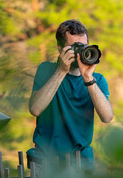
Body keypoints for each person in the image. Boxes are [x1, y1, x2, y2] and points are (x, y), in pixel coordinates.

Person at [27, 19, 113, 171]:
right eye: (75, 47)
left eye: (83, 47)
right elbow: (35, 109)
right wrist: (61, 70)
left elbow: (107, 117)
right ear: (60, 49)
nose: (80, 52)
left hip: (81, 160)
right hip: (46, 159)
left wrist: (88, 78)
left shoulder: (97, 79)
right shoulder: (47, 70)